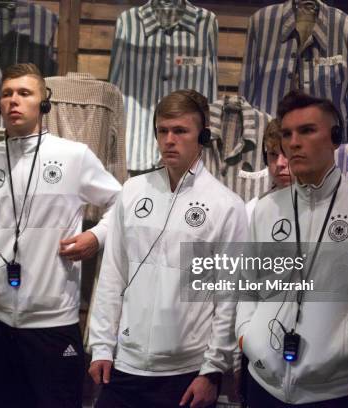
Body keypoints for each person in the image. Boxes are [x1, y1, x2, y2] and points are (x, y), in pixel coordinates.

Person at [236, 90, 348, 407]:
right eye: (287, 133)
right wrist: (247, 337)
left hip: (329, 392)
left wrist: (347, 346)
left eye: (306, 131)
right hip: (262, 383)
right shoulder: (266, 209)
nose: (293, 142)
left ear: (335, 137)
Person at [0, 63, 121, 407]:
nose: (13, 101)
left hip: (53, 321)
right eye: (7, 94)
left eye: (24, 93)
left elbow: (121, 203)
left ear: (43, 104)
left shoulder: (72, 156)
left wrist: (96, 238)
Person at [88, 89, 248, 408]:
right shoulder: (132, 192)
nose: (169, 140)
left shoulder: (227, 206)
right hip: (124, 366)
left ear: (201, 136)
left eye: (180, 131)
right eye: (163, 131)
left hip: (187, 373)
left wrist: (213, 371)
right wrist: (102, 347)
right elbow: (112, 275)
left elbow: (228, 296)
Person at [245, 118, 291, 220]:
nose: (279, 163)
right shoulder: (252, 210)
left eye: (287, 153)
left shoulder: (328, 207)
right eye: (273, 154)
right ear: (266, 159)